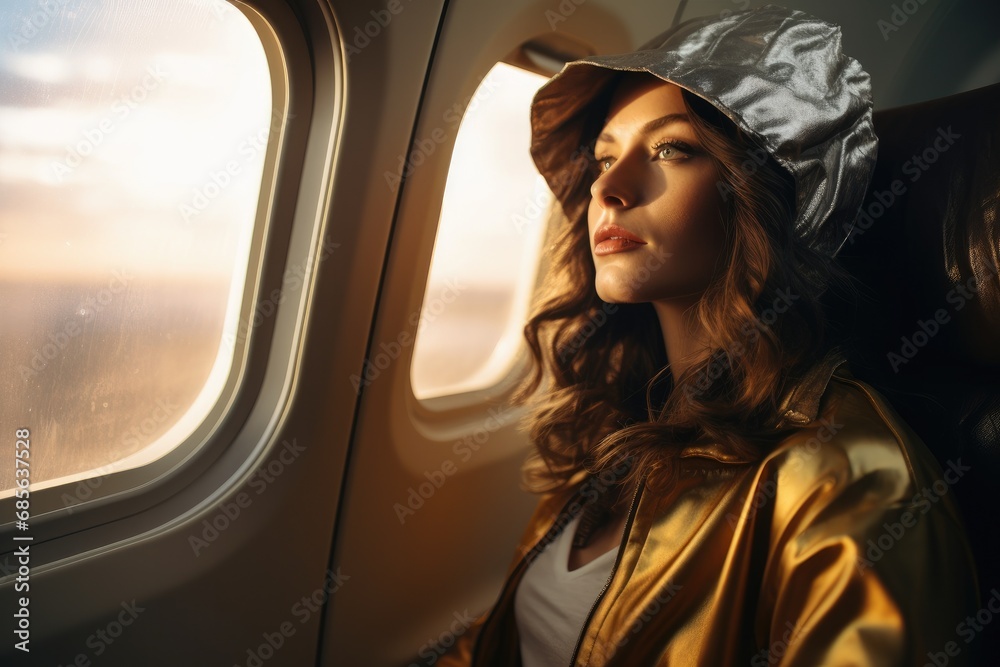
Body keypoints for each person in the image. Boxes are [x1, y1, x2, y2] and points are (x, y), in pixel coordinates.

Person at [437, 6, 979, 666]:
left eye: (672, 148)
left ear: (764, 195)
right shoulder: (621, 419)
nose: (610, 185)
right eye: (604, 156)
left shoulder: (848, 474)